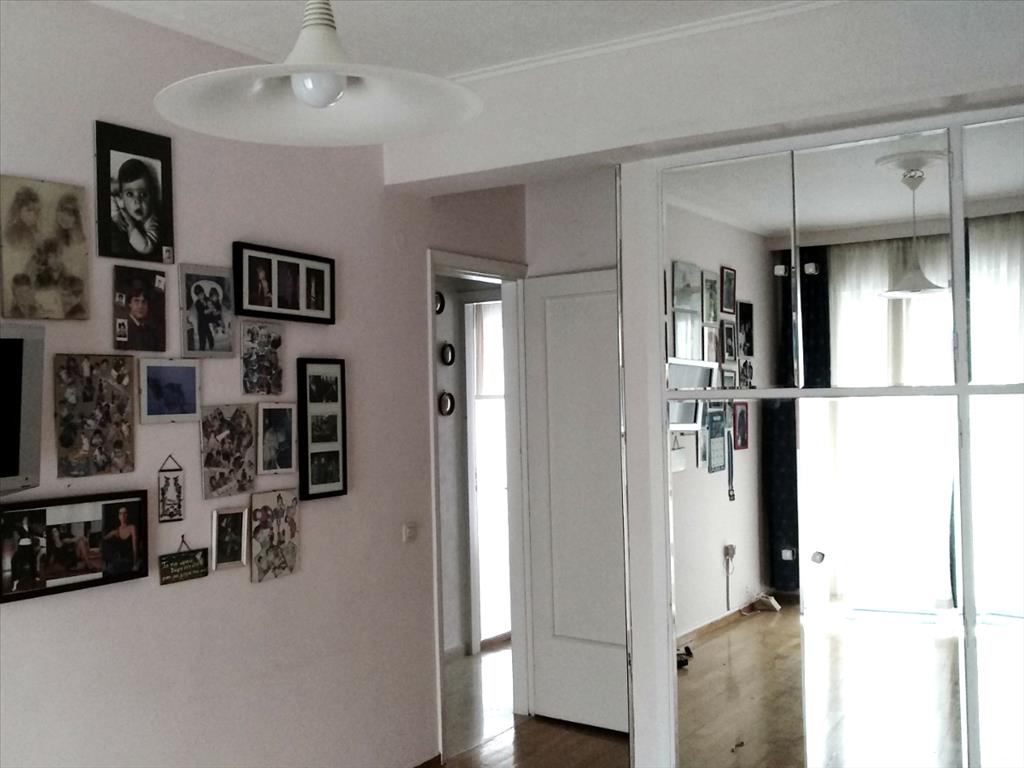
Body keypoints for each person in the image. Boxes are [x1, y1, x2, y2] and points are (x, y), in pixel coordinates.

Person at [110, 158, 159, 257]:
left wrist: (131, 227)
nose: (137, 201)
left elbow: (146, 247)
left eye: (143, 194)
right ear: (121, 196)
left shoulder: (151, 219)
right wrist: (115, 215)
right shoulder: (121, 202)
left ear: (152, 196)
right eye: (130, 194)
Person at [124, 281, 160, 350]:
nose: (140, 306)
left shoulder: (151, 331)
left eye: (144, 302)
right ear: (129, 304)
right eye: (136, 301)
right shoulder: (123, 327)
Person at [102, 506, 138, 574]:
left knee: (113, 568)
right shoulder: (116, 531)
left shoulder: (132, 527)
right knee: (110, 568)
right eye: (121, 513)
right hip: (118, 560)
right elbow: (104, 539)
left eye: (125, 513)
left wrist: (135, 564)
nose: (123, 516)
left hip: (128, 560)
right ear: (119, 516)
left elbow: (134, 547)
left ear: (127, 515)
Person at [191, 284, 215, 351]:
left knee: (209, 335)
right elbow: (204, 312)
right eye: (198, 295)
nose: (200, 296)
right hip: (202, 321)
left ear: (204, 292)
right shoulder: (197, 303)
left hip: (208, 319)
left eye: (201, 294)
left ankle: (211, 345)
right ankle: (202, 348)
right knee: (202, 337)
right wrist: (210, 309)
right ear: (197, 296)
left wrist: (211, 306)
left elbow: (213, 306)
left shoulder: (207, 299)